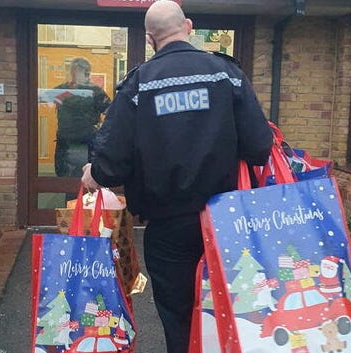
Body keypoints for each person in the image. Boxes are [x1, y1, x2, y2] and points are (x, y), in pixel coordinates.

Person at [80, 1, 273, 351]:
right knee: (239, 307)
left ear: (150, 39)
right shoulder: (226, 74)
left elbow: (112, 163)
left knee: (179, 315)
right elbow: (261, 145)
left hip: (169, 229)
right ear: (188, 26)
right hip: (227, 221)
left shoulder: (139, 85)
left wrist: (93, 173)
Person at [52, 57, 110, 177]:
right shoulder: (61, 90)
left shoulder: (95, 91)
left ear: (87, 72)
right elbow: (44, 102)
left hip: (86, 141)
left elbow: (110, 113)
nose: (75, 74)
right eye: (74, 71)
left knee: (89, 177)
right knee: (64, 178)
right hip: (66, 141)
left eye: (78, 71)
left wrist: (103, 135)